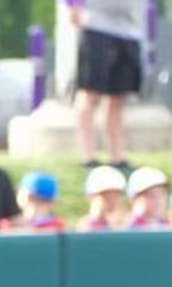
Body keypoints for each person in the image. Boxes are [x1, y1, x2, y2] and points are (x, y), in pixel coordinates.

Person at [66, 0, 144, 170]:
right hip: (96, 25)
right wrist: (73, 5)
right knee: (90, 93)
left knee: (118, 96)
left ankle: (117, 157)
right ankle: (87, 156)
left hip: (130, 29)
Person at [75, 163, 127, 230]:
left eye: (115, 194)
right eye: (104, 195)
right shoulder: (85, 223)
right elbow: (85, 234)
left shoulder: (129, 221)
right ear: (90, 197)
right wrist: (95, 217)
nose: (110, 199)